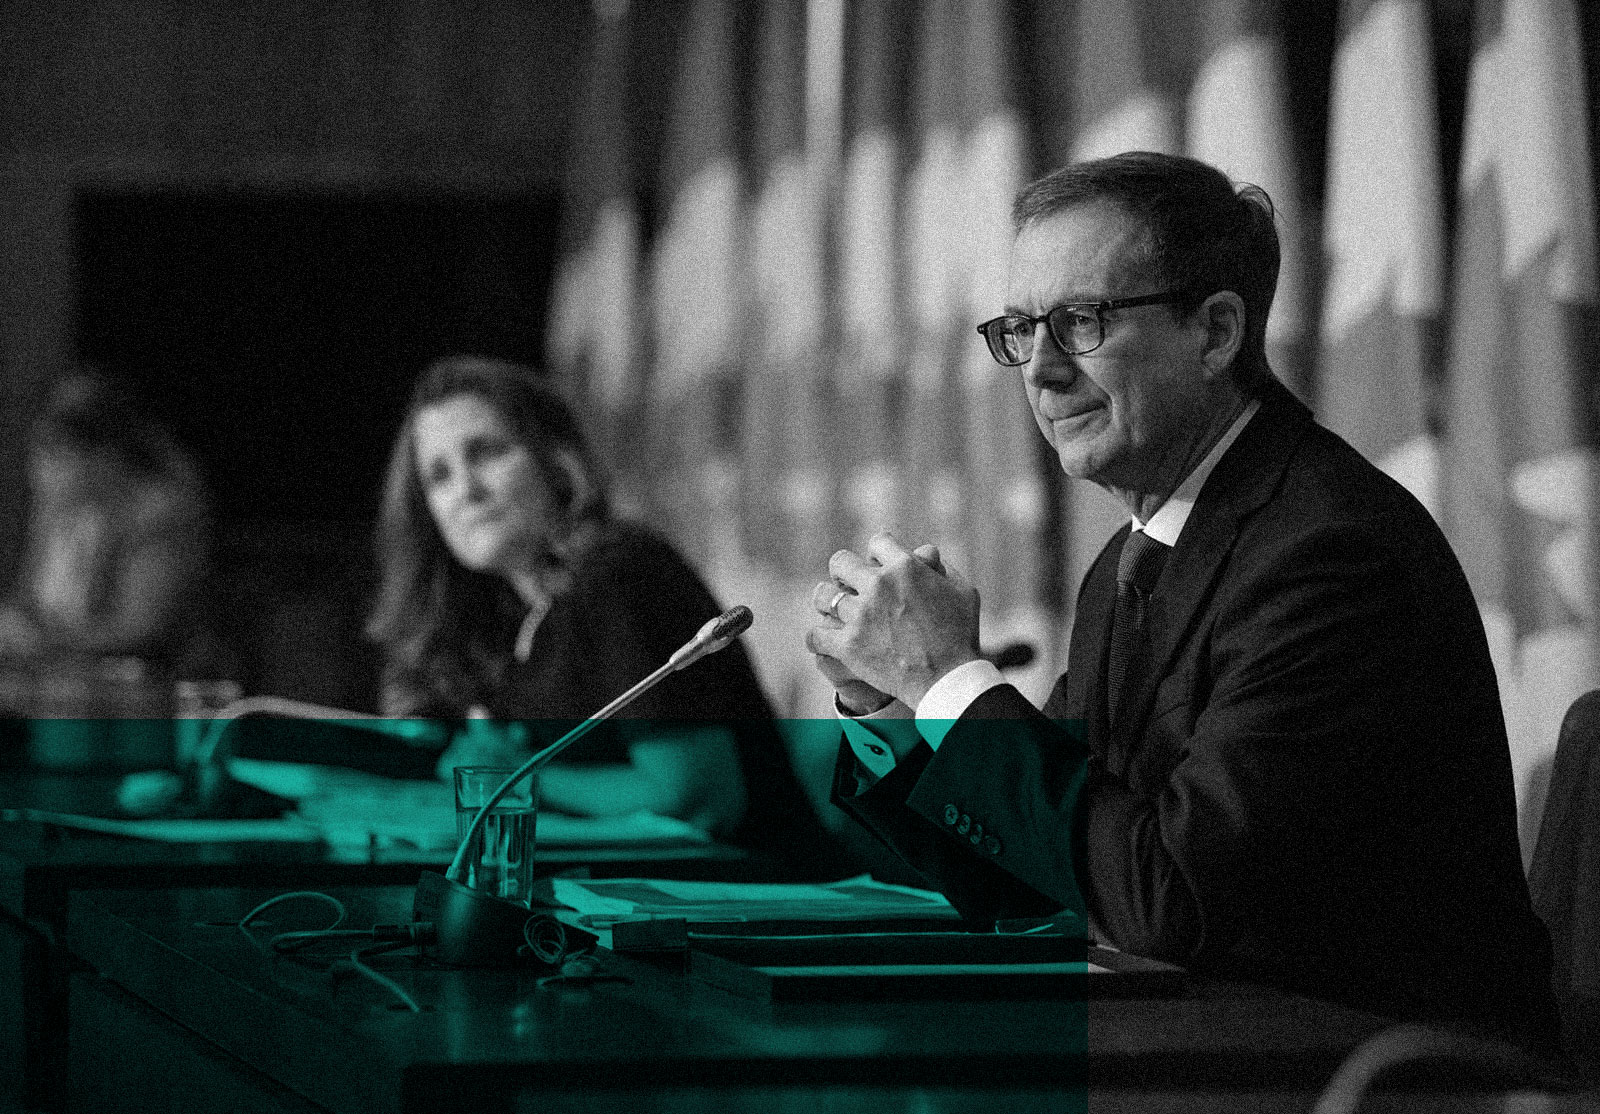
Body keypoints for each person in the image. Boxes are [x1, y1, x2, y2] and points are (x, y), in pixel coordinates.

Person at [806, 152, 1559, 1053]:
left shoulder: (1328, 555)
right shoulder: (1131, 561)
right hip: (1217, 1051)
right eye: (1020, 329)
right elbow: (1034, 873)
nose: (1040, 371)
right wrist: (891, 704)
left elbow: (1172, 901)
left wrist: (951, 680)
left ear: (1215, 332)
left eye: (1080, 322)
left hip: (1385, 1078)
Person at [369, 355, 846, 877]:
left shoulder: (621, 573)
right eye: (438, 477)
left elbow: (699, 800)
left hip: (764, 898)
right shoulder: (505, 616)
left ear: (556, 459)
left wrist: (520, 776)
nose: (466, 490)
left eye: (486, 453)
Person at [0, 369, 209, 665]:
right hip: (62, 673)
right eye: (39, 452)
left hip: (148, 680)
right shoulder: (57, 508)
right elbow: (28, 605)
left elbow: (139, 632)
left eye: (56, 454)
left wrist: (44, 641)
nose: (40, 471)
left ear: (105, 456)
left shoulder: (158, 512)